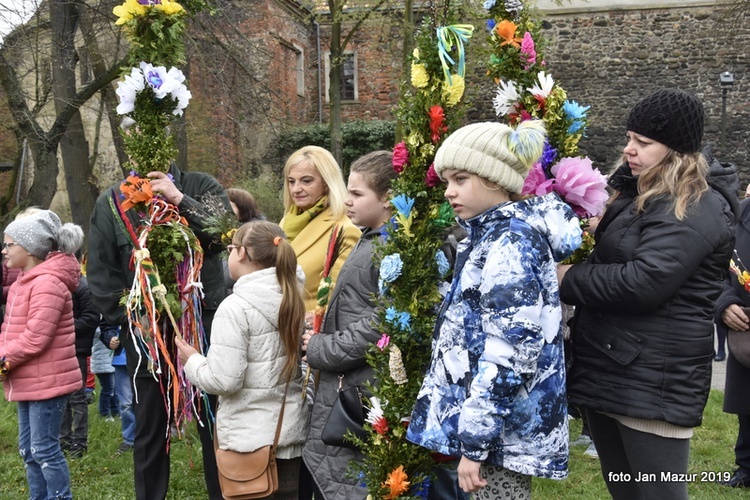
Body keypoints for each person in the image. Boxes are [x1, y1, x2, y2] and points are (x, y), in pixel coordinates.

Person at [558, 88, 736, 500]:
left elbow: (643, 283)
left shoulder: (692, 204)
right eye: (629, 138)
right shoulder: (641, 194)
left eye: (643, 142)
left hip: (653, 379)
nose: (629, 150)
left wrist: (565, 276)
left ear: (675, 150)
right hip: (614, 366)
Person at [406, 121, 582, 498]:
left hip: (502, 438)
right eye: (447, 181)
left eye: (460, 178)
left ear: (495, 179)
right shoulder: (487, 236)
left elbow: (510, 350)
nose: (450, 191)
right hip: (495, 432)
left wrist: (475, 443)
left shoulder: (510, 244)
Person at [87, 162, 230, 500]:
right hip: (145, 332)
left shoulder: (201, 183)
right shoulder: (112, 201)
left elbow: (225, 234)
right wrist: (132, 318)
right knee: (149, 427)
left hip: (204, 327)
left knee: (216, 423)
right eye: (133, 125)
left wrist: (180, 199)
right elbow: (102, 272)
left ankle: (226, 494)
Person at [175, 220, 309, 499]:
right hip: (291, 436)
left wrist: (192, 361)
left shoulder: (235, 308)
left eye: (231, 248)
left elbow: (225, 379)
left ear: (243, 254)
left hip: (250, 442)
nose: (228, 255)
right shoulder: (292, 297)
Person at [300, 150, 398, 499]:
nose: (347, 200)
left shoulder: (392, 249)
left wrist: (322, 348)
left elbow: (383, 324)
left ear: (387, 198)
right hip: (348, 384)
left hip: (360, 388)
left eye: (357, 194)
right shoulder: (371, 239)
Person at [0, 210, 85, 500]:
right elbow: (8, 330)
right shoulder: (22, 283)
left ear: (32, 248)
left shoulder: (47, 283)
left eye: (10, 244)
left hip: (48, 383)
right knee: (28, 450)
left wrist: (4, 360)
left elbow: (36, 338)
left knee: (45, 449)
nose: (4, 250)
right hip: (27, 379)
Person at [279, 146, 360, 311]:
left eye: (306, 181)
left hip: (308, 329)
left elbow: (336, 297)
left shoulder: (344, 229)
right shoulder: (285, 224)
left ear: (326, 183)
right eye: (291, 181)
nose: (295, 189)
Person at [715, 186, 750, 489]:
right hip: (746, 330)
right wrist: (725, 304)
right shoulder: (738, 217)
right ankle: (747, 466)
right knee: (748, 404)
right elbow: (714, 272)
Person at [60, 248, 100, 458]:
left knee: (77, 399)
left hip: (77, 351)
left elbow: (92, 318)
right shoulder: (62, 285)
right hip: (61, 350)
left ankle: (79, 443)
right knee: (62, 398)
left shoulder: (83, 287)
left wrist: (63, 326)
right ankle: (64, 440)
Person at [100, 321, 136, 454]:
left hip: (148, 358)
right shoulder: (116, 301)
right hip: (123, 360)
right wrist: (110, 338)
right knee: (126, 403)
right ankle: (129, 439)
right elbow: (107, 324)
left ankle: (150, 436)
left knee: (147, 401)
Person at [91, 325, 119, 419]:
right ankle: (105, 413)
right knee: (108, 389)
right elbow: (98, 332)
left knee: (114, 389)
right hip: (101, 361)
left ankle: (116, 411)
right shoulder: (100, 326)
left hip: (109, 361)